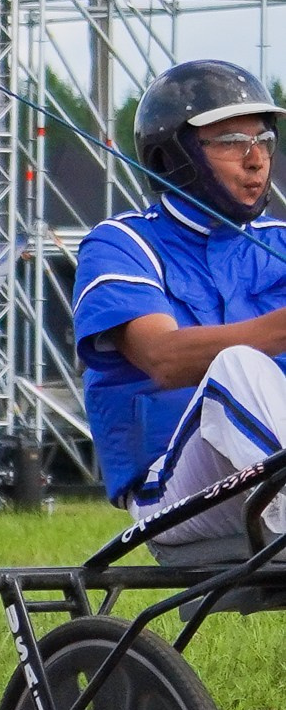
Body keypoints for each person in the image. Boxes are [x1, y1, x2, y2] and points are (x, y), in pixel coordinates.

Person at [75, 60, 286, 548]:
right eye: (233, 142)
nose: (256, 159)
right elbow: (163, 360)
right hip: (175, 491)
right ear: (175, 156)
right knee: (236, 366)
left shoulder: (279, 241)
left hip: (267, 479)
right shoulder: (122, 243)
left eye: (264, 141)